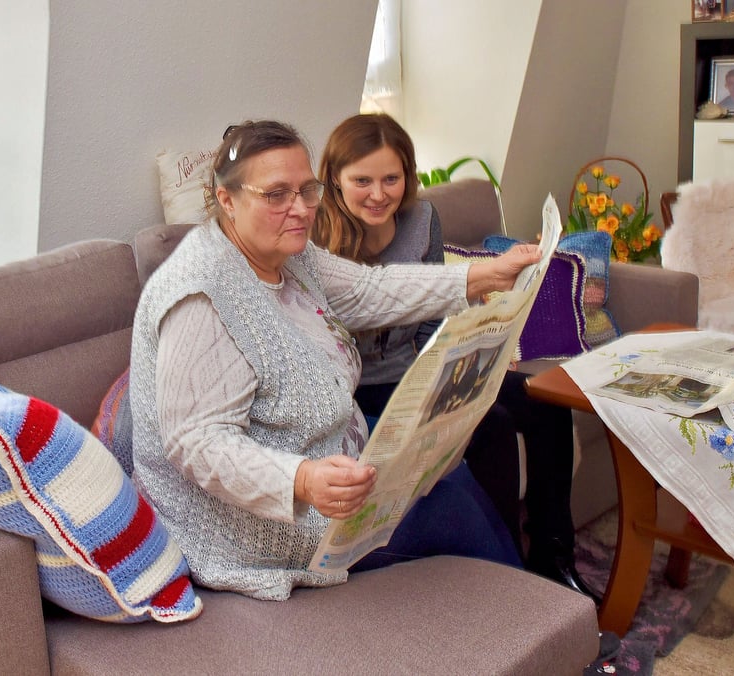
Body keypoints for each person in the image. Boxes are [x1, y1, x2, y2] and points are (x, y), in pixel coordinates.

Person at [129, 119, 541, 600]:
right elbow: (197, 443)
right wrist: (301, 480)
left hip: (331, 453)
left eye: (307, 190)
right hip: (255, 521)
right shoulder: (201, 295)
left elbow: (370, 289)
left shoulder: (289, 255)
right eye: (277, 194)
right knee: (451, 512)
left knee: (451, 468)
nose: (300, 209)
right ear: (227, 200)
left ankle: (534, 618)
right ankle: (532, 621)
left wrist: (484, 276)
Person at [310, 112, 600, 602]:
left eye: (391, 179)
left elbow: (431, 320)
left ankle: (554, 559)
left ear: (408, 176)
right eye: (362, 180)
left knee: (544, 400)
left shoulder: (422, 219)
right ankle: (505, 574)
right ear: (335, 181)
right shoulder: (317, 239)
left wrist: (472, 356)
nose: (378, 194)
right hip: (364, 390)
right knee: (490, 427)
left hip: (421, 367)